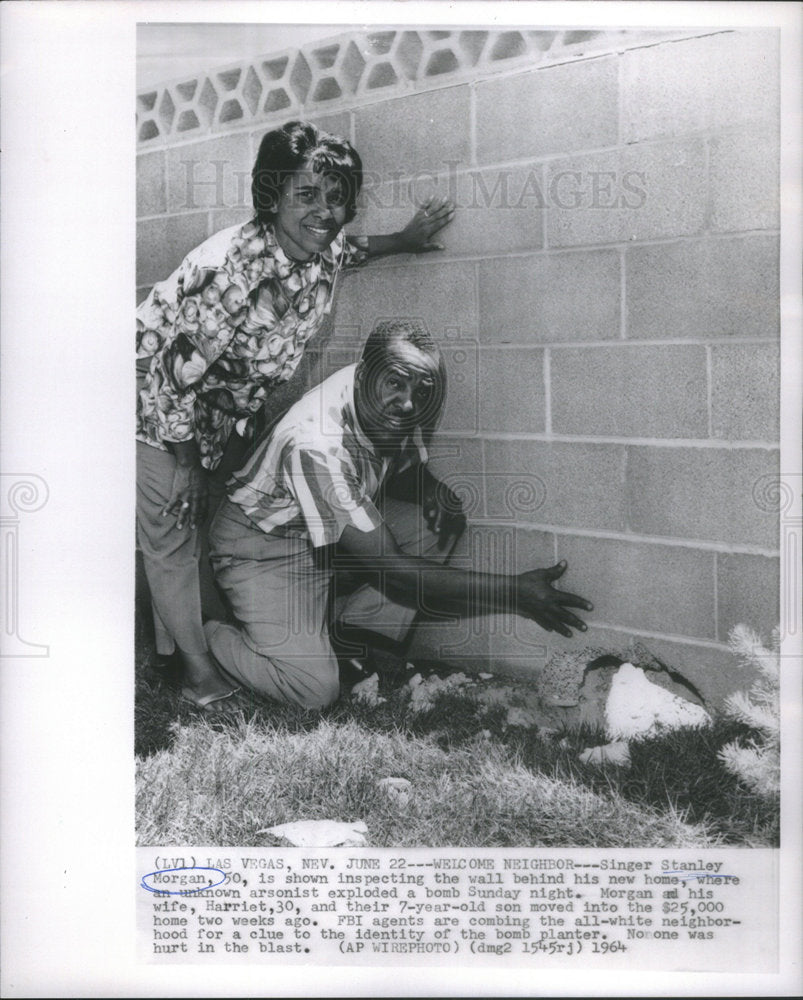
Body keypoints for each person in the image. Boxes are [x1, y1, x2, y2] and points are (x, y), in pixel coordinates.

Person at [136, 121, 455, 711]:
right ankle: (198, 675)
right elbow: (171, 376)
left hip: (214, 409)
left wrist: (405, 239)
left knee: (200, 525)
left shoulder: (319, 246)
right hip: (152, 403)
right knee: (174, 530)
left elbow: (351, 250)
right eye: (307, 195)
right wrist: (187, 465)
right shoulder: (230, 270)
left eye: (337, 198)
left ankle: (199, 636)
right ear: (272, 195)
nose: (326, 212)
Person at [204, 319, 593, 710]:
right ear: (362, 377)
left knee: (439, 522)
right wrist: (516, 592)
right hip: (264, 549)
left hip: (318, 535)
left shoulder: (390, 397)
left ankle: (353, 643)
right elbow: (395, 568)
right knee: (312, 691)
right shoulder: (316, 443)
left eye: (422, 392)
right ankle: (206, 637)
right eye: (397, 384)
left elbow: (409, 471)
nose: (409, 404)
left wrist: (437, 494)